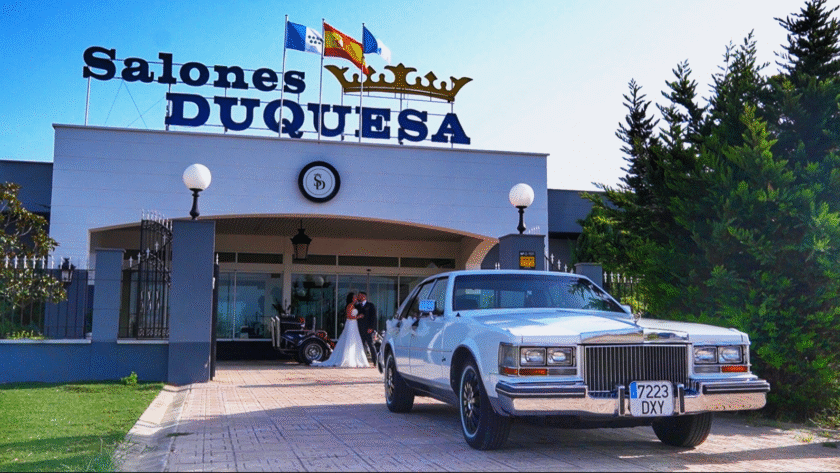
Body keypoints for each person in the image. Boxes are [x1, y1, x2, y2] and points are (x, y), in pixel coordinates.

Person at [315, 292, 370, 367]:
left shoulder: (354, 306)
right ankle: (348, 359)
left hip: (354, 325)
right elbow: (349, 316)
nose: (356, 298)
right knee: (350, 340)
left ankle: (354, 358)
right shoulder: (350, 306)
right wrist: (358, 317)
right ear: (351, 299)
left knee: (355, 340)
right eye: (354, 297)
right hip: (351, 324)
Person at [355, 291, 378, 362]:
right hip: (360, 329)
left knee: (371, 345)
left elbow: (373, 317)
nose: (358, 297)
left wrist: (371, 328)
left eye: (360, 296)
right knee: (361, 345)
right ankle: (362, 360)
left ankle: (375, 361)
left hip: (368, 329)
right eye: (358, 296)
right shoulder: (357, 306)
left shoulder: (370, 305)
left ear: (364, 297)